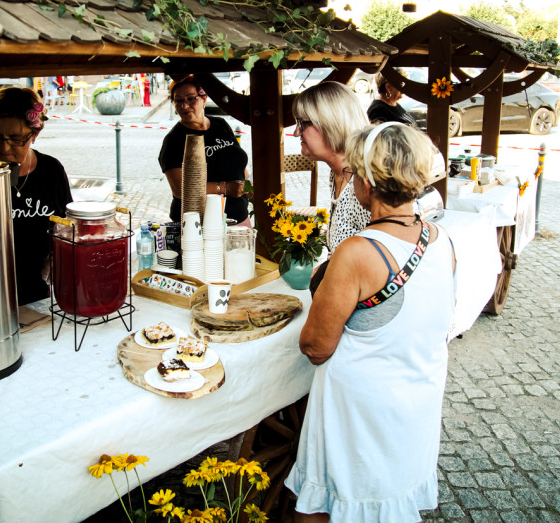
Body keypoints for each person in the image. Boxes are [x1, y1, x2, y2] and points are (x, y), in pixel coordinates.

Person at [285, 122, 457, 523]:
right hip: (415, 405)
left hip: (361, 417)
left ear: (366, 182)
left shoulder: (358, 252)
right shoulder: (441, 239)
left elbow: (315, 346)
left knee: (327, 502)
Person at [0, 87, 73, 305]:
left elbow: (66, 224)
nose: (4, 148)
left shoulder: (51, 170)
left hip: (37, 291)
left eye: (16, 139)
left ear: (34, 135)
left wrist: (59, 254)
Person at [292, 81, 370, 254]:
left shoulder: (365, 180)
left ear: (330, 123)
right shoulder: (338, 173)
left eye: (302, 123)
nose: (297, 132)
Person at [158, 75, 249, 224]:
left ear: (204, 98)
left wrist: (249, 187)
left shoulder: (220, 124)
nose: (184, 105)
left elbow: (238, 162)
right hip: (197, 224)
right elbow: (181, 190)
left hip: (238, 215)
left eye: (190, 98)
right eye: (179, 100)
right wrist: (225, 188)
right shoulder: (174, 140)